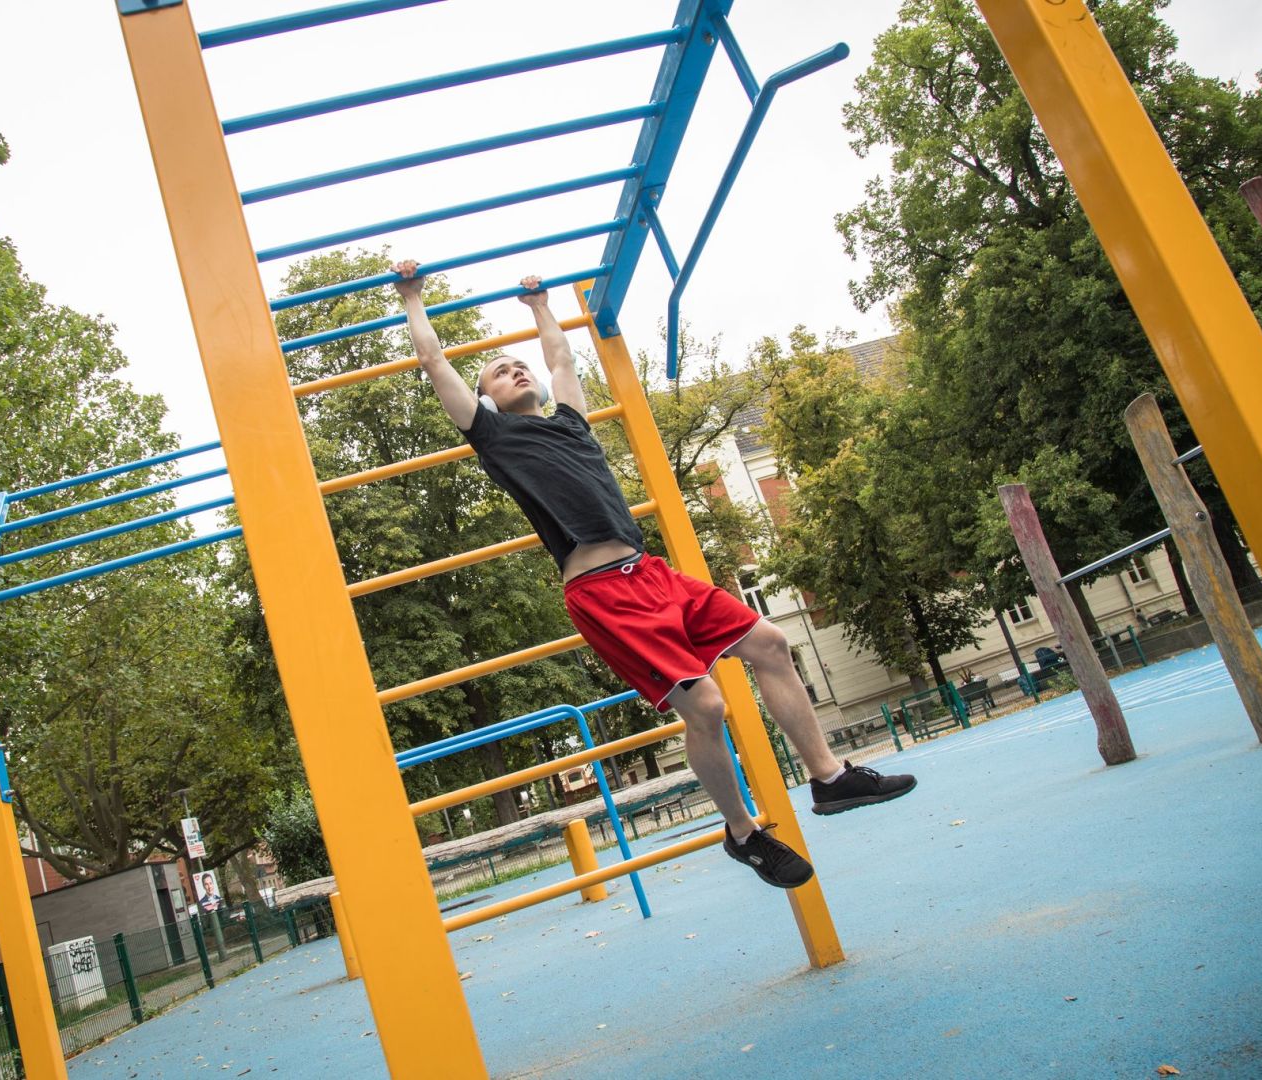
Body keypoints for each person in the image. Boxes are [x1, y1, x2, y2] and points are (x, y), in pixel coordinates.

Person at [392, 260, 916, 890]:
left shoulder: (571, 422)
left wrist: (540, 307)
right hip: (603, 593)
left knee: (773, 644)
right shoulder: (494, 436)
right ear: (486, 400)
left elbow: (561, 360)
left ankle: (830, 778)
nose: (516, 369)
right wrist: (413, 295)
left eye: (517, 363)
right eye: (499, 372)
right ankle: (743, 834)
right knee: (709, 705)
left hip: (652, 574)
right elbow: (434, 362)